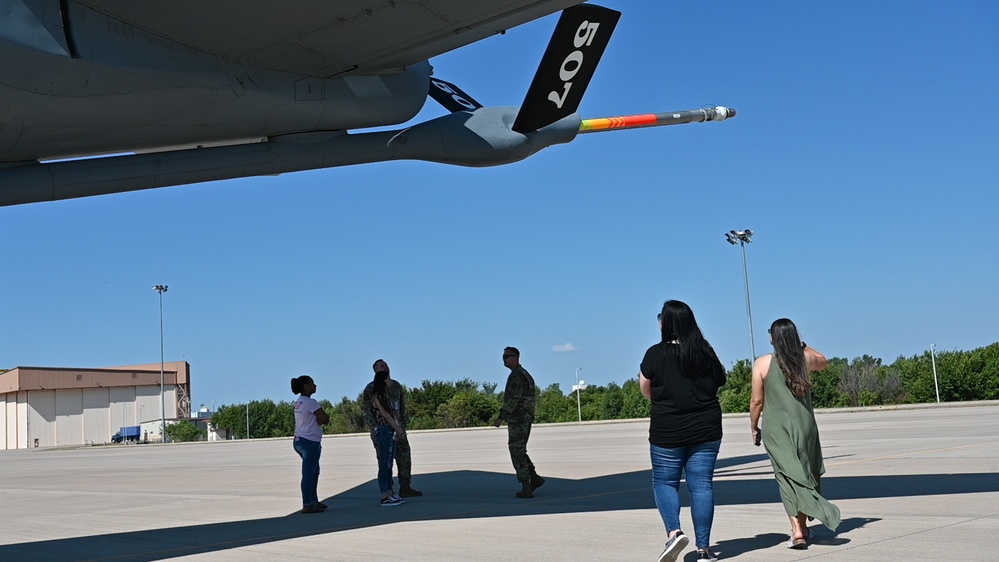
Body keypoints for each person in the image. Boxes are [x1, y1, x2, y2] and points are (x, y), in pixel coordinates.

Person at [639, 300, 727, 562]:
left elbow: (646, 389)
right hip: (706, 428)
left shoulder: (655, 353)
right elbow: (719, 381)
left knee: (665, 482)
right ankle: (703, 549)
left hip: (668, 429)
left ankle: (675, 532)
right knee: (701, 487)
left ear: (667, 323)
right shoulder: (705, 352)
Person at [750, 318, 841, 549]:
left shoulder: (763, 363)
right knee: (806, 475)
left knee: (787, 477)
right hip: (806, 427)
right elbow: (824, 360)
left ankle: (797, 530)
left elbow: (757, 401)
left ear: (773, 338)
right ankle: (802, 527)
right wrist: (803, 346)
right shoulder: (805, 360)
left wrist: (754, 426)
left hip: (777, 429)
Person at [361, 359, 423, 497]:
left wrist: (403, 427)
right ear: (376, 370)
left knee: (404, 456)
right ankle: (388, 491)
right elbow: (366, 410)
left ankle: (405, 486)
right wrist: (373, 428)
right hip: (383, 429)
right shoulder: (371, 388)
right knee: (385, 461)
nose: (385, 367)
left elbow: (402, 408)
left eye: (386, 365)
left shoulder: (396, 386)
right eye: (382, 366)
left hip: (398, 429)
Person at [492, 346, 544, 498]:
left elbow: (514, 399)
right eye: (503, 357)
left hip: (519, 418)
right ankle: (534, 478)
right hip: (522, 418)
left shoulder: (518, 376)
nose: (504, 359)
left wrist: (501, 417)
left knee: (516, 451)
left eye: (507, 356)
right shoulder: (520, 374)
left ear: (515, 357)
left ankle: (526, 486)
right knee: (520, 450)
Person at [291, 375, 330, 514]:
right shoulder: (311, 402)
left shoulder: (299, 402)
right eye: (312, 384)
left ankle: (313, 501)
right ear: (305, 387)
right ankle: (308, 503)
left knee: (314, 472)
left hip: (299, 440)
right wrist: (321, 419)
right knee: (309, 474)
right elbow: (325, 418)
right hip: (310, 442)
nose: (315, 386)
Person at [370, 369, 408, 506]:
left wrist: (397, 429)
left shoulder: (385, 396)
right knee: (384, 463)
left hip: (390, 431)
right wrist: (400, 430)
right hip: (384, 431)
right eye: (388, 378)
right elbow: (386, 416)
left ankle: (390, 493)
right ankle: (384, 495)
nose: (390, 381)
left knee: (389, 463)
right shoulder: (377, 397)